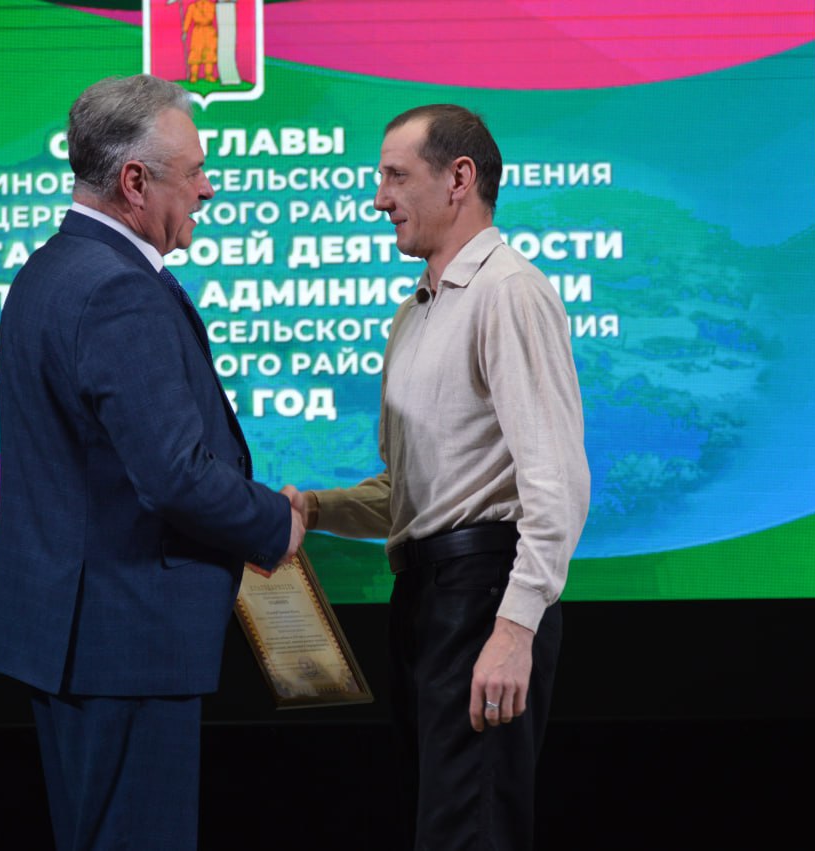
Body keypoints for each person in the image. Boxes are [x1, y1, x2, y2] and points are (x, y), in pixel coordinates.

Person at [0, 74, 304, 850]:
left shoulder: (47, 270)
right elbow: (174, 475)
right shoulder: (116, 289)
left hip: (79, 641)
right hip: (125, 643)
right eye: (194, 172)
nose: (208, 188)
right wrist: (276, 521)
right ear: (134, 182)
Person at [292, 105, 591, 850]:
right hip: (425, 600)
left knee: (470, 830)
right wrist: (314, 507)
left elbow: (556, 482)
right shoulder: (414, 314)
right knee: (438, 826)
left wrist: (514, 630)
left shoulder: (509, 291)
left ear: (460, 179)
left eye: (396, 176)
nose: (379, 199)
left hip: (483, 597)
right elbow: (411, 491)